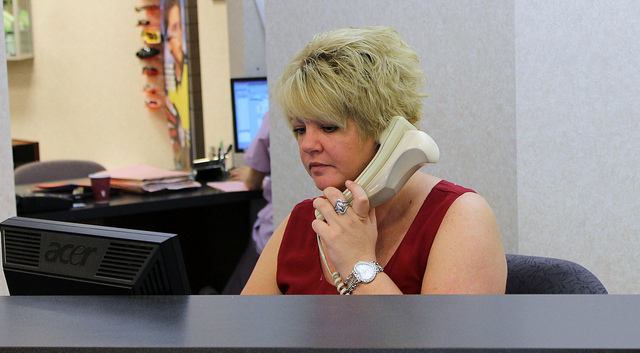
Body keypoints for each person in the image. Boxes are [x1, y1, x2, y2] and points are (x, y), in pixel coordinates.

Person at [242, 26, 507, 295]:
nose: (308, 145)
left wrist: (358, 263)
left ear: (386, 130)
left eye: (329, 127)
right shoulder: (302, 222)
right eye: (300, 130)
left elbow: (448, 339)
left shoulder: (461, 217)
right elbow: (239, 334)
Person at [222, 112, 273, 294]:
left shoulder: (277, 113)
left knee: (234, 304)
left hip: (271, 233)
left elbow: (253, 181)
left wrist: (247, 174)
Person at [163, 0, 190, 170]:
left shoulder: (189, 74)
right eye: (174, 28)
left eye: (181, 27)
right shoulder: (171, 88)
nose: (179, 35)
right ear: (167, 41)